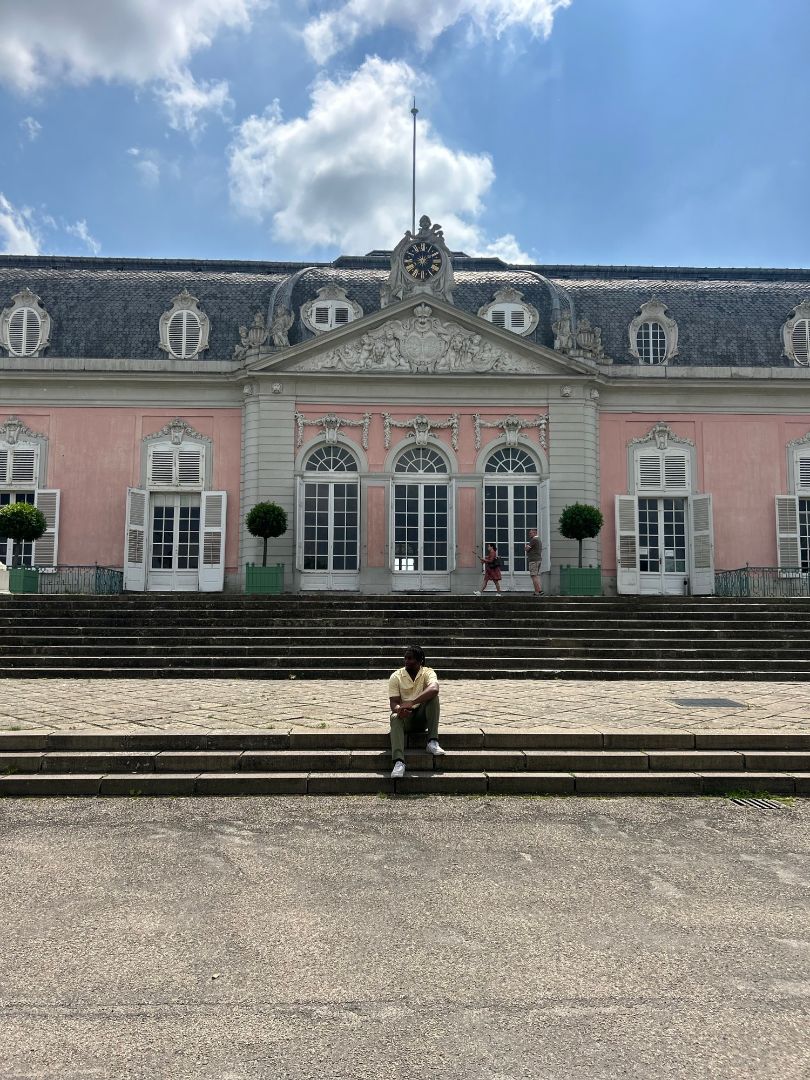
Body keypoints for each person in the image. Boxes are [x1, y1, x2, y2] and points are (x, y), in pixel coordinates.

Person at [388, 645, 443, 779]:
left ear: (420, 660)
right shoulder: (396, 676)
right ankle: (399, 762)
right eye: (405, 658)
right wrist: (399, 710)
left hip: (422, 717)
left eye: (410, 658)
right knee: (394, 717)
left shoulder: (427, 672)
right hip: (406, 719)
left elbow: (434, 688)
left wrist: (411, 702)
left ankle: (432, 742)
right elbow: (394, 702)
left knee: (433, 698)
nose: (406, 661)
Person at [525, 528, 543, 595]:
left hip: (534, 560)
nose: (529, 534)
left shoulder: (534, 540)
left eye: (531, 533)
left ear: (535, 533)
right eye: (529, 533)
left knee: (534, 576)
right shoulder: (538, 540)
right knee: (535, 575)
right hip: (537, 559)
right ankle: (536, 591)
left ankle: (539, 591)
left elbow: (527, 549)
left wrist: (526, 547)